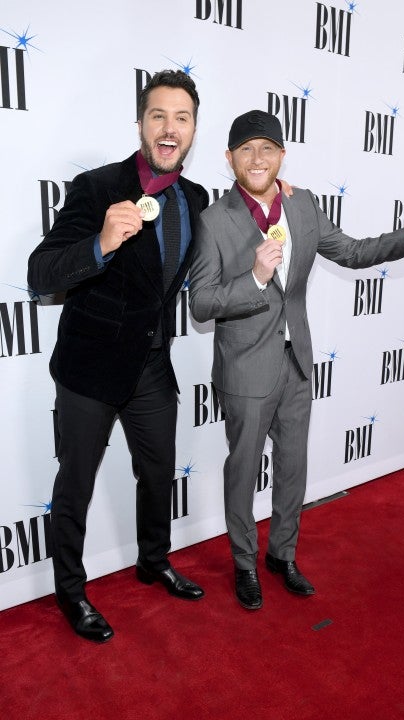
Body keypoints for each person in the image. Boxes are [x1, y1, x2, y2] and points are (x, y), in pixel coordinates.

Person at [188, 109, 404, 611]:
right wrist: (254, 278)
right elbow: (202, 303)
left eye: (267, 148)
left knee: (293, 468)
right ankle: (245, 563)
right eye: (246, 149)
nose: (258, 158)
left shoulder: (303, 205)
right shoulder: (213, 221)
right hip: (245, 369)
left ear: (282, 155)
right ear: (229, 158)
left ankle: (282, 555)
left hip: (297, 362)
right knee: (243, 470)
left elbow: (353, 252)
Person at [27, 70, 210, 643]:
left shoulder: (195, 198)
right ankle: (70, 590)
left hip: (151, 366)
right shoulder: (97, 186)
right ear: (140, 124)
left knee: (157, 473)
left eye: (181, 117)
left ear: (193, 130)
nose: (169, 128)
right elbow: (41, 274)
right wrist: (101, 244)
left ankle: (153, 561)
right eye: (158, 115)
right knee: (75, 484)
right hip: (90, 368)